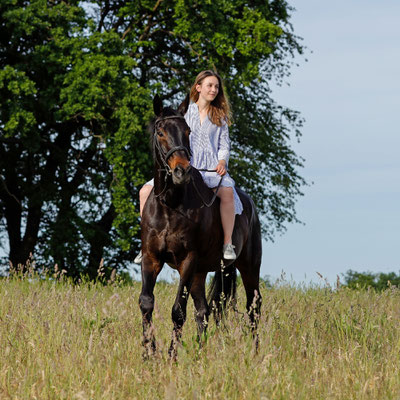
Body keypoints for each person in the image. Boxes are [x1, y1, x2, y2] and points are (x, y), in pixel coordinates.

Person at [134, 70, 243, 264]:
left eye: (216, 86)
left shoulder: (220, 117)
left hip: (210, 169)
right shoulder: (185, 113)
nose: (214, 89)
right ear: (198, 88)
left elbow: (224, 145)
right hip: (185, 167)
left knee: (227, 193)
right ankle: (145, 244)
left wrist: (222, 161)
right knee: (144, 191)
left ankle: (227, 243)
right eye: (209, 85)